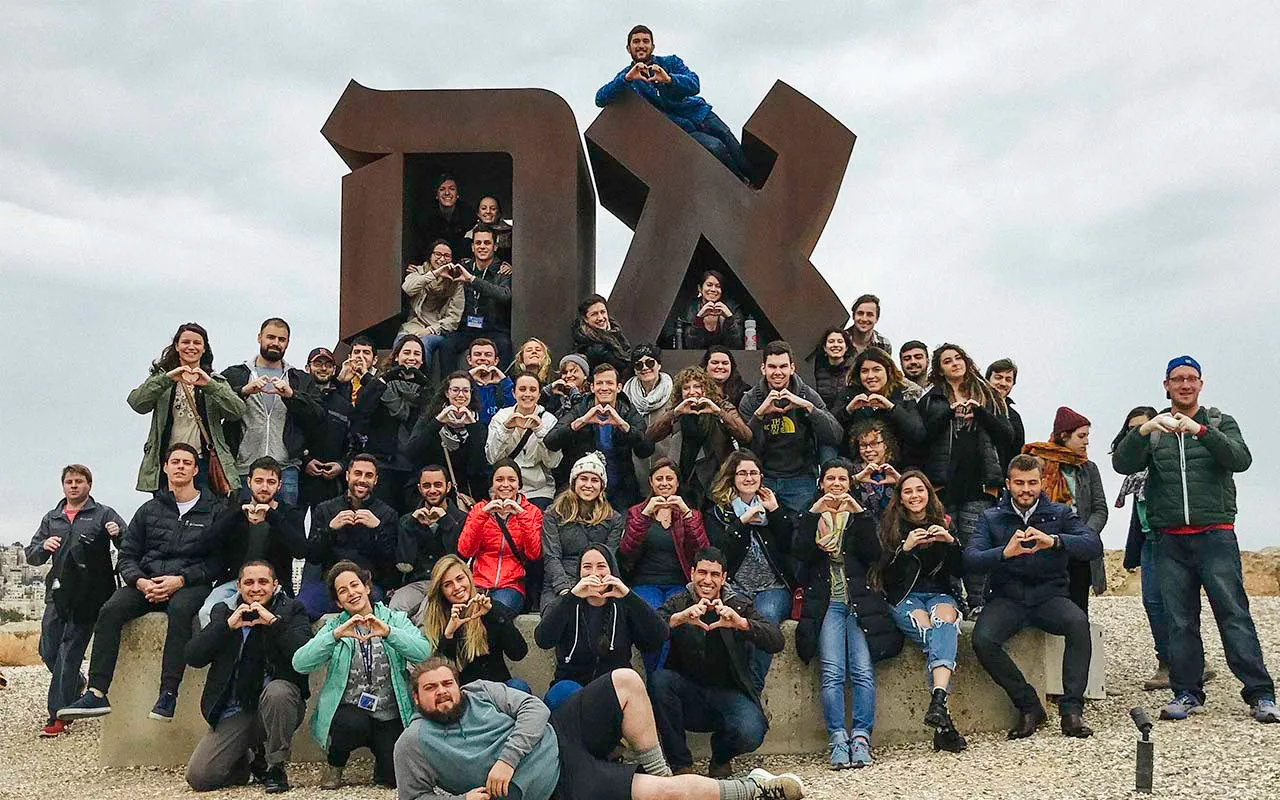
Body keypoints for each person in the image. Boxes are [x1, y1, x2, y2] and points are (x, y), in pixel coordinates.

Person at [1113, 355, 1278, 724]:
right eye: (1177, 379)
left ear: (1201, 384)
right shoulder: (1156, 429)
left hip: (1215, 534)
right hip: (1169, 538)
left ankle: (1260, 694)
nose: (1185, 385)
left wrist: (1202, 431)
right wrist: (1142, 430)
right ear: (1166, 385)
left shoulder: (1220, 422)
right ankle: (1187, 692)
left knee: (1234, 615)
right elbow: (1123, 465)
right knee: (1180, 620)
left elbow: (1241, 459)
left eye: (1191, 379)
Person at [395, 659, 807, 800]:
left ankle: (659, 769)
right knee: (663, 794)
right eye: (431, 689)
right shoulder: (413, 743)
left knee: (626, 679)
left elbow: (534, 710)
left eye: (447, 683)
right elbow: (413, 798)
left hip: (558, 734)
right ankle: (756, 789)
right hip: (559, 784)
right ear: (417, 698)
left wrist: (506, 759)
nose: (444, 693)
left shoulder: (479, 691)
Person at [58, 444, 223, 723]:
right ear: (166, 468)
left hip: (188, 583)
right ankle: (97, 692)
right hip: (147, 581)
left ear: (196, 470)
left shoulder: (214, 510)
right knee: (110, 610)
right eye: (175, 462)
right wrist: (141, 582)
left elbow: (217, 562)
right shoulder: (149, 510)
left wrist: (180, 580)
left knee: (181, 612)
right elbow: (127, 555)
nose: (181, 466)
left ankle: (168, 694)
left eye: (187, 462)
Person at [964, 455, 1102, 739]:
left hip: (1049, 596)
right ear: (1008, 484)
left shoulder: (1060, 514)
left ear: (1042, 483)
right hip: (1007, 598)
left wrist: (1054, 541)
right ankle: (1029, 706)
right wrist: (1004, 552)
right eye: (1019, 483)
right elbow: (971, 559)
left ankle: (1071, 711)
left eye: (1032, 483)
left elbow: (1092, 545)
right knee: (982, 639)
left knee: (1079, 624)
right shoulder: (991, 517)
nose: (1025, 489)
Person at [793, 459, 901, 768]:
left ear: (850, 483)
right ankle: (838, 738)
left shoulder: (860, 517)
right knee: (831, 674)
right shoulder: (811, 514)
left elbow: (875, 556)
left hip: (859, 604)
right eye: (831, 478)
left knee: (863, 673)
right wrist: (814, 513)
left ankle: (862, 737)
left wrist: (859, 514)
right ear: (822, 482)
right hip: (828, 605)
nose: (837, 484)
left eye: (842, 479)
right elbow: (799, 552)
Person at [291, 561, 433, 789]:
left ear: (366, 587)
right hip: (352, 712)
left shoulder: (394, 620)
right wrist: (334, 636)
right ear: (338, 601)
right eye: (343, 591)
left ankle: (383, 762)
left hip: (389, 714)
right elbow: (300, 663)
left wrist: (388, 633)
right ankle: (335, 764)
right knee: (350, 724)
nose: (351, 593)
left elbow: (424, 654)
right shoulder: (335, 627)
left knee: (392, 781)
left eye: (355, 585)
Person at [651, 547, 784, 778]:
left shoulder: (738, 604)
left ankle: (721, 757)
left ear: (723, 578)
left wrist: (741, 624)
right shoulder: (679, 601)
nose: (707, 580)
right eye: (702, 572)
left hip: (728, 694)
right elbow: (647, 631)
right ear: (692, 573)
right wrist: (680, 619)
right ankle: (681, 764)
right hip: (687, 694)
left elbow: (776, 640)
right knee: (659, 681)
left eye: (714, 574)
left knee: (751, 731)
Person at [184, 561, 312, 794]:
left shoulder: (292, 610)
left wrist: (273, 623)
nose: (256, 588)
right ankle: (244, 760)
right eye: (249, 582)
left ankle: (275, 766)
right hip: (236, 709)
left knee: (278, 692)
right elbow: (194, 656)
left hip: (277, 705)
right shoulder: (223, 611)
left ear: (275, 585)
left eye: (263, 582)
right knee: (200, 777)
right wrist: (226, 627)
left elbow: (304, 656)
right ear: (239, 587)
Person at [26, 465, 126, 737]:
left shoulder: (103, 513)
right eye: (69, 481)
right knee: (49, 650)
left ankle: (57, 715)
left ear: (89, 485)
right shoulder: (52, 517)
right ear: (63, 486)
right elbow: (32, 555)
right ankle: (76, 683)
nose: (73, 486)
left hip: (89, 596)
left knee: (69, 653)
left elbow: (128, 545)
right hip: (57, 593)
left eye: (79, 481)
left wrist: (117, 533)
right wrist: (42, 546)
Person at [872, 470, 967, 753]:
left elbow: (962, 569)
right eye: (908, 491)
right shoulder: (889, 526)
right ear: (900, 498)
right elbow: (882, 576)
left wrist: (950, 543)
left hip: (940, 595)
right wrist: (905, 548)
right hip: (905, 598)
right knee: (930, 631)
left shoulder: (944, 522)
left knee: (945, 621)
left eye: (919, 490)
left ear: (928, 494)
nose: (915, 496)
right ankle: (943, 720)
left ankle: (938, 702)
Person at [917, 343, 1013, 615]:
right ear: (940, 369)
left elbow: (1007, 435)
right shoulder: (931, 398)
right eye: (947, 361)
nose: (954, 363)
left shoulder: (988, 395)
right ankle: (954, 599)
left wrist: (980, 413)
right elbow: (921, 437)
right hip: (942, 484)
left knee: (975, 544)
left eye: (958, 358)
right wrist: (949, 411)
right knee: (946, 543)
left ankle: (977, 602)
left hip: (980, 483)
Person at [596, 26, 754, 183]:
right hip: (683, 128)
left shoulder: (671, 62)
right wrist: (626, 79)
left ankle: (756, 180)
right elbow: (600, 99)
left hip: (701, 113)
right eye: (636, 42)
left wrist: (669, 79)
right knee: (716, 147)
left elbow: (694, 84)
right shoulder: (627, 79)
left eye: (646, 41)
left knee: (730, 142)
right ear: (628, 48)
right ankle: (744, 185)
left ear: (652, 46)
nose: (641, 45)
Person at [703, 450, 796, 692]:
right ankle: (737, 686)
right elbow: (719, 554)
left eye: (754, 473)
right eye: (742, 473)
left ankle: (751, 688)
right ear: (732, 477)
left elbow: (791, 545)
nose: (748, 478)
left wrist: (775, 512)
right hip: (736, 587)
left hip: (772, 587)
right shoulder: (717, 512)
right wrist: (741, 522)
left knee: (764, 619)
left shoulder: (773, 505)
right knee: (734, 631)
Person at [535, 545, 668, 710]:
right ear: (579, 572)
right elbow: (542, 639)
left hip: (613, 692)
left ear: (611, 570)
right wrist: (571, 596)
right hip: (571, 691)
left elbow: (659, 636)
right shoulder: (566, 604)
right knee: (565, 691)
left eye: (601, 566)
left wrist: (629, 596)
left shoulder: (625, 605)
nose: (594, 573)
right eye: (587, 567)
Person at [128, 322, 246, 495]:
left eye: (197, 343)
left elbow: (236, 412)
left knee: (208, 516)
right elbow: (137, 403)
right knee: (167, 517)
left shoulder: (214, 380)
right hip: (169, 464)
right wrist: (167, 378)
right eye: (185, 342)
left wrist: (210, 385)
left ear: (204, 348)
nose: (191, 347)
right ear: (177, 346)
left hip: (203, 463)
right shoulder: (162, 379)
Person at [221, 318, 324, 507]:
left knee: (284, 528)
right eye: (270, 337)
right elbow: (218, 408)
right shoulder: (236, 374)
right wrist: (243, 391)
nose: (275, 343)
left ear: (287, 343)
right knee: (241, 528)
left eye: (281, 339)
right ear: (259, 338)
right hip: (243, 468)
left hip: (286, 469)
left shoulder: (299, 378)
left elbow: (318, 415)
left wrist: (292, 396)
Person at [200, 457, 306, 626]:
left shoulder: (289, 513)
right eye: (259, 481)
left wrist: (272, 516)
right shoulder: (234, 510)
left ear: (279, 485)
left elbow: (300, 550)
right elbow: (207, 544)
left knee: (286, 620)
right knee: (207, 612)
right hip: (235, 583)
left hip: (275, 584)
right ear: (249, 482)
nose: (264, 487)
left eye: (271, 482)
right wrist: (238, 515)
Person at [738, 341, 841, 514]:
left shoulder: (807, 395)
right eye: (772, 367)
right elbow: (746, 447)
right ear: (763, 369)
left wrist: (808, 408)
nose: (778, 373)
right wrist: (760, 414)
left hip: (800, 478)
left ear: (792, 368)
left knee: (800, 531)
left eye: (783, 367)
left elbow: (835, 435)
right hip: (765, 477)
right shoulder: (751, 400)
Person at [1022, 407, 1108, 613]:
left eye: (1087, 436)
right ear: (1064, 436)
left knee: (1078, 611)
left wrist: (1084, 534)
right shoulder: (1038, 463)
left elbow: (1100, 508)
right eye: (1081, 436)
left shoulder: (1089, 468)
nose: (1086, 442)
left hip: (1079, 547)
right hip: (1046, 546)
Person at [1112, 406, 1172, 691]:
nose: (1139, 433)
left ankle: (1189, 663)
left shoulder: (1165, 462)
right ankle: (1168, 662)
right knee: (1153, 603)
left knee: (1179, 604)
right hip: (1149, 541)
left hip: (1172, 538)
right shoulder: (1133, 471)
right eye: (1132, 428)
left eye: (1145, 427)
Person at [299, 455, 399, 621]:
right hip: (329, 585)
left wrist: (378, 529)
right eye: (357, 474)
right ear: (347, 476)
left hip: (368, 586)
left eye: (368, 476)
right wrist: (329, 529)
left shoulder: (387, 514)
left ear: (376, 480)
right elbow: (312, 556)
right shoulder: (325, 509)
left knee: (373, 614)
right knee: (299, 609)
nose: (362, 480)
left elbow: (391, 564)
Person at [547, 362, 655, 509]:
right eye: (599, 383)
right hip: (583, 489)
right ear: (592, 387)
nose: (604, 388)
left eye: (609, 383)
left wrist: (625, 427)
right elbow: (550, 441)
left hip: (620, 490)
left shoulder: (628, 411)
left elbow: (646, 450)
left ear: (619, 387)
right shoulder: (581, 409)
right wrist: (582, 421)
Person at [645, 366, 752, 509]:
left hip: (716, 480)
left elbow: (746, 436)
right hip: (684, 479)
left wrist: (718, 412)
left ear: (706, 389)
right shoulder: (677, 409)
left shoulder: (722, 406)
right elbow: (650, 436)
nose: (692, 392)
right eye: (686, 388)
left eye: (697, 387)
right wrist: (675, 413)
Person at [419, 555, 530, 690]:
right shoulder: (437, 621)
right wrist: (449, 634)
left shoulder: (491, 608)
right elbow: (441, 674)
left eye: (460, 579)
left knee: (519, 686)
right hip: (464, 695)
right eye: (448, 585)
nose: (457, 587)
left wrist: (493, 613)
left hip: (498, 689)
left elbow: (518, 653)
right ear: (441, 590)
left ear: (469, 577)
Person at [621, 460, 710, 626]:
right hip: (645, 583)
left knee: (679, 622)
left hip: (679, 583)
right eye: (659, 478)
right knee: (652, 621)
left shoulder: (692, 514)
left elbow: (703, 551)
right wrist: (644, 516)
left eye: (669, 478)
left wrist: (686, 514)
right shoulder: (636, 512)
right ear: (651, 482)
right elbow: (626, 550)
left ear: (677, 482)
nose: (664, 483)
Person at [352, 335, 433, 512]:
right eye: (407, 352)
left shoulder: (427, 389)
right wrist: (385, 380)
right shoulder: (380, 383)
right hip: (384, 463)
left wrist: (424, 383)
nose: (412, 357)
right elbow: (362, 409)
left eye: (417, 354)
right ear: (396, 356)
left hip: (413, 467)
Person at [456, 460, 544, 612]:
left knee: (495, 612)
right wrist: (482, 515)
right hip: (478, 582)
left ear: (519, 484)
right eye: (499, 480)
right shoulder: (479, 509)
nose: (505, 485)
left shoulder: (532, 512)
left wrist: (521, 514)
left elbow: (534, 553)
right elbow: (465, 550)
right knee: (466, 611)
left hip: (511, 585)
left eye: (511, 480)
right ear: (492, 483)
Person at [540, 453, 626, 608]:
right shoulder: (553, 514)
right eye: (583, 479)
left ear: (602, 486)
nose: (588, 485)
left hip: (599, 582)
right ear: (574, 482)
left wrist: (595, 586)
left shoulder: (614, 519)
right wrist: (565, 589)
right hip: (560, 582)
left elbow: (609, 559)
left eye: (595, 480)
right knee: (555, 616)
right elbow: (552, 556)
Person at [389, 465, 467, 621]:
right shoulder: (407, 520)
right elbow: (404, 564)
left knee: (426, 614)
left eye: (438, 485)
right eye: (426, 486)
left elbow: (459, 558)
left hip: (447, 583)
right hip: (417, 583)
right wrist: (411, 526)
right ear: (419, 488)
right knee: (395, 608)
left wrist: (446, 522)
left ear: (448, 487)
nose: (432, 490)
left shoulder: (461, 519)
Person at [437, 224, 514, 371]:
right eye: (478, 243)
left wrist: (473, 280)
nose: (482, 247)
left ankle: (499, 390)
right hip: (467, 328)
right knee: (446, 345)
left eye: (487, 243)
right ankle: (448, 389)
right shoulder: (463, 265)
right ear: (472, 247)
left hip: (494, 329)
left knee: (505, 345)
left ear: (495, 247)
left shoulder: (503, 270)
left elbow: (504, 295)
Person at [405, 370, 489, 502]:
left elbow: (478, 466)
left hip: (463, 495)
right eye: (455, 390)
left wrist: (472, 425)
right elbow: (411, 452)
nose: (461, 395)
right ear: (446, 393)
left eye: (466, 391)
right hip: (429, 493)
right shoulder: (428, 419)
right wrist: (437, 422)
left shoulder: (478, 425)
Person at [833, 347, 926, 466]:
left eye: (877, 370)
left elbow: (917, 434)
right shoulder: (847, 395)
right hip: (856, 469)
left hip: (898, 468)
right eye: (865, 371)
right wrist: (848, 410)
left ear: (888, 371)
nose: (870, 376)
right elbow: (832, 431)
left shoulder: (905, 394)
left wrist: (891, 408)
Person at [486, 372, 562, 509]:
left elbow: (553, 463)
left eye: (532, 390)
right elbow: (492, 458)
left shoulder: (549, 420)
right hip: (504, 488)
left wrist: (540, 432)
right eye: (522, 389)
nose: (527, 394)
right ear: (514, 393)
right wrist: (506, 429)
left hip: (539, 490)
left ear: (539, 395)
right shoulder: (500, 417)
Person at [300, 347, 352, 517]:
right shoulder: (298, 398)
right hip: (301, 477)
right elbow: (289, 434)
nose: (323, 368)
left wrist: (342, 465)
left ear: (334, 370)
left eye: (328, 365)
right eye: (318, 363)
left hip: (332, 481)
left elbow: (352, 440)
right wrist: (304, 460)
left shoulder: (343, 404)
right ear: (307, 368)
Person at [399, 238, 465, 369]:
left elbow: (454, 318)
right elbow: (407, 288)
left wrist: (429, 330)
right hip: (414, 324)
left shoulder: (456, 281)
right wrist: (435, 273)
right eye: (438, 254)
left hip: (437, 329)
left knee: (424, 345)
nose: (442, 259)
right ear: (430, 255)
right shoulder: (419, 271)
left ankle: (422, 384)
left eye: (447, 256)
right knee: (400, 344)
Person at [622, 342, 677, 479]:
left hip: (668, 466)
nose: (645, 368)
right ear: (634, 370)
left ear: (659, 365)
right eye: (639, 365)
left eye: (650, 363)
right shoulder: (625, 396)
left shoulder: (674, 393)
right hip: (636, 465)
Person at [410, 173, 475, 265]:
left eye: (452, 189)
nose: (447, 193)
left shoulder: (467, 214)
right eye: (442, 189)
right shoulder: (426, 217)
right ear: (436, 195)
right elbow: (420, 246)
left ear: (457, 195)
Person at [675, 270, 744, 350]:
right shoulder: (691, 309)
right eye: (709, 285)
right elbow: (691, 345)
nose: (713, 289)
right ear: (700, 288)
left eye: (718, 286)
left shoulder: (732, 308)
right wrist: (699, 317)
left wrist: (729, 318)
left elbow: (736, 344)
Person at [847, 419, 902, 517]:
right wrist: (855, 479)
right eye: (863, 445)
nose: (868, 450)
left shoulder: (898, 469)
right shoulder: (850, 472)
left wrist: (900, 481)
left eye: (874, 444)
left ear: (886, 444)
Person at [572, 293, 632, 376]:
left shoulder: (616, 333)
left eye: (602, 312)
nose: (600, 318)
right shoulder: (590, 346)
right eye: (594, 314)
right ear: (586, 319)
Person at [985, 358, 1025, 470]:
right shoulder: (974, 406)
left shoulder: (1014, 417)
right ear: (987, 379)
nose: (1003, 383)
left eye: (1008, 380)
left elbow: (1017, 454)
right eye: (998, 378)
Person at [466, 337, 516, 425]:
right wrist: (467, 377)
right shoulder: (464, 384)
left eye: (488, 355)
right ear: (469, 360)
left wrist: (504, 381)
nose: (482, 358)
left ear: (496, 361)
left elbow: (514, 408)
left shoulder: (505, 385)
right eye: (477, 354)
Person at [812, 327, 854, 411]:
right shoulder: (816, 371)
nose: (835, 345)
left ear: (846, 347)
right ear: (824, 347)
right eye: (831, 342)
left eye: (840, 342)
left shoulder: (853, 371)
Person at [465, 194, 514, 263]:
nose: (488, 211)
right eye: (483, 208)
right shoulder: (469, 236)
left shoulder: (511, 234)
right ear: (478, 213)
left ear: (499, 213)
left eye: (493, 209)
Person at [541, 353, 589, 419]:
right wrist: (548, 391)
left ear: (585, 375)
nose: (568, 375)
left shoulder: (591, 396)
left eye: (574, 371)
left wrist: (575, 395)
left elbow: (581, 414)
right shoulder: (557, 395)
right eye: (565, 372)